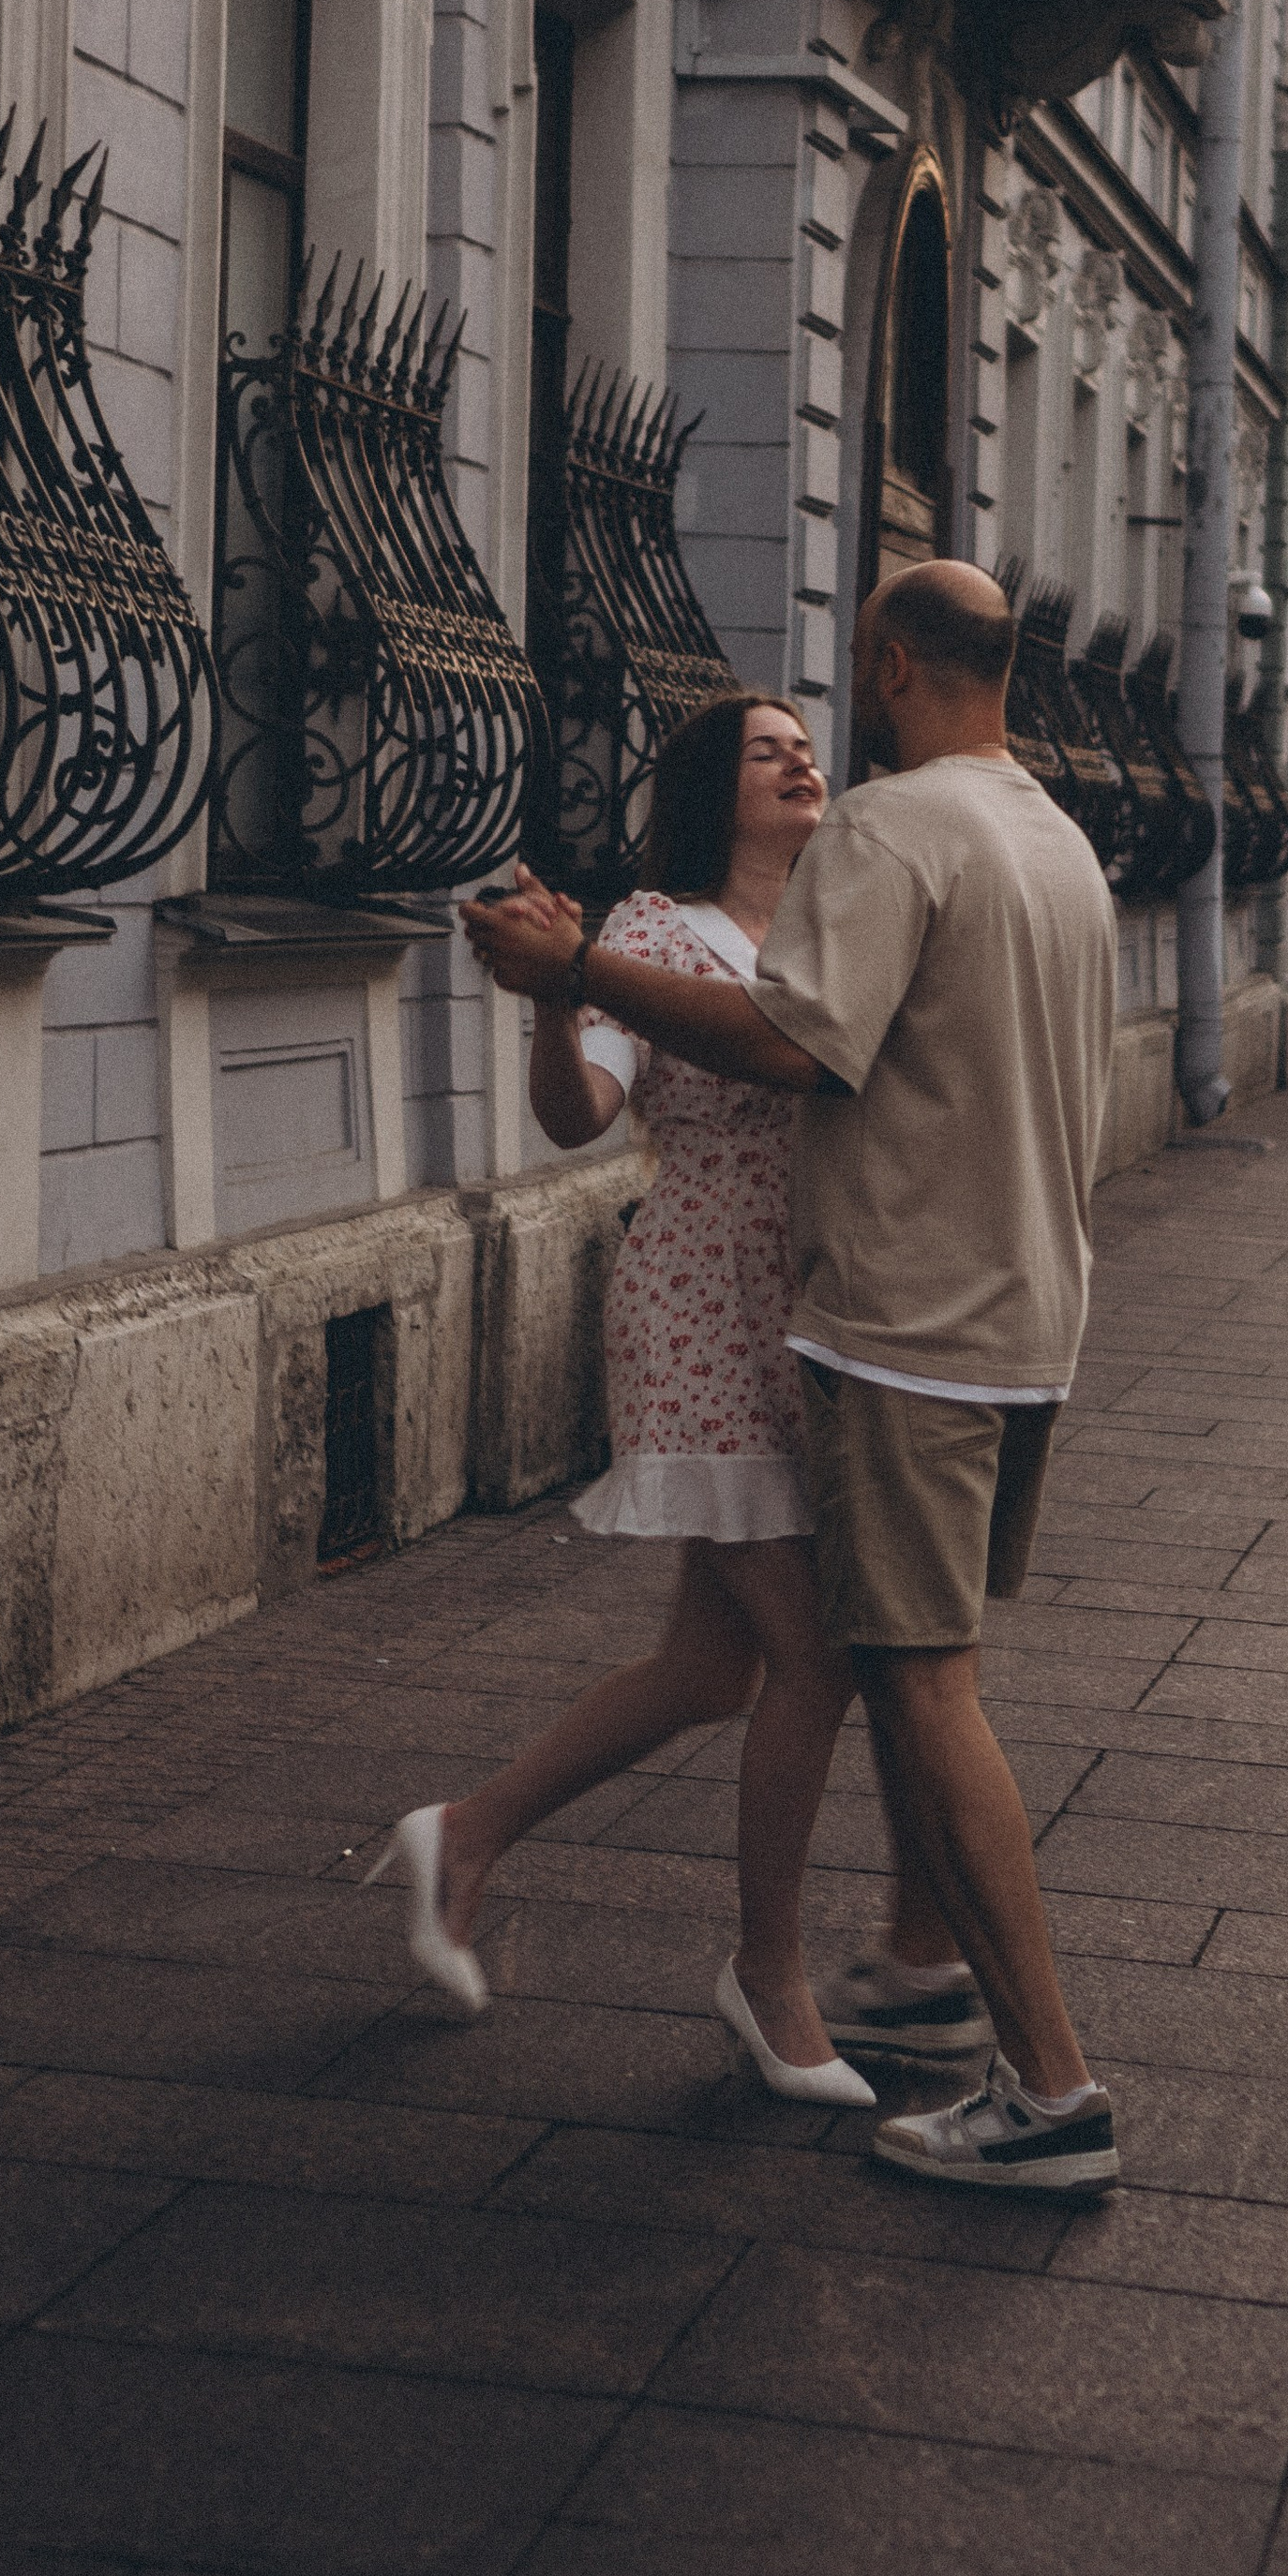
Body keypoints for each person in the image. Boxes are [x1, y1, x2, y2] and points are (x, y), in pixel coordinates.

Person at [464, 561, 1120, 2196]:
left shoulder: (895, 834)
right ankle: (904, 1963)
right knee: (862, 1656)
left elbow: (781, 1044)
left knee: (913, 1676)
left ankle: (1048, 2093)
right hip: (1030, 1313)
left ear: (892, 664)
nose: (816, 751)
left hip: (904, 1319)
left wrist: (571, 974)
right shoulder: (1056, 840)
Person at [372, 692, 869, 2106]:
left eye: (806, 744)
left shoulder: (832, 923)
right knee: (816, 1662)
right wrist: (553, 1000)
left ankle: (464, 1834)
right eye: (770, 751)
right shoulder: (650, 931)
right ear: (717, 790)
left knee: (713, 1673)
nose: (802, 761)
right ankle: (770, 1978)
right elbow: (579, 1117)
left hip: (810, 1314)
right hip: (705, 1308)